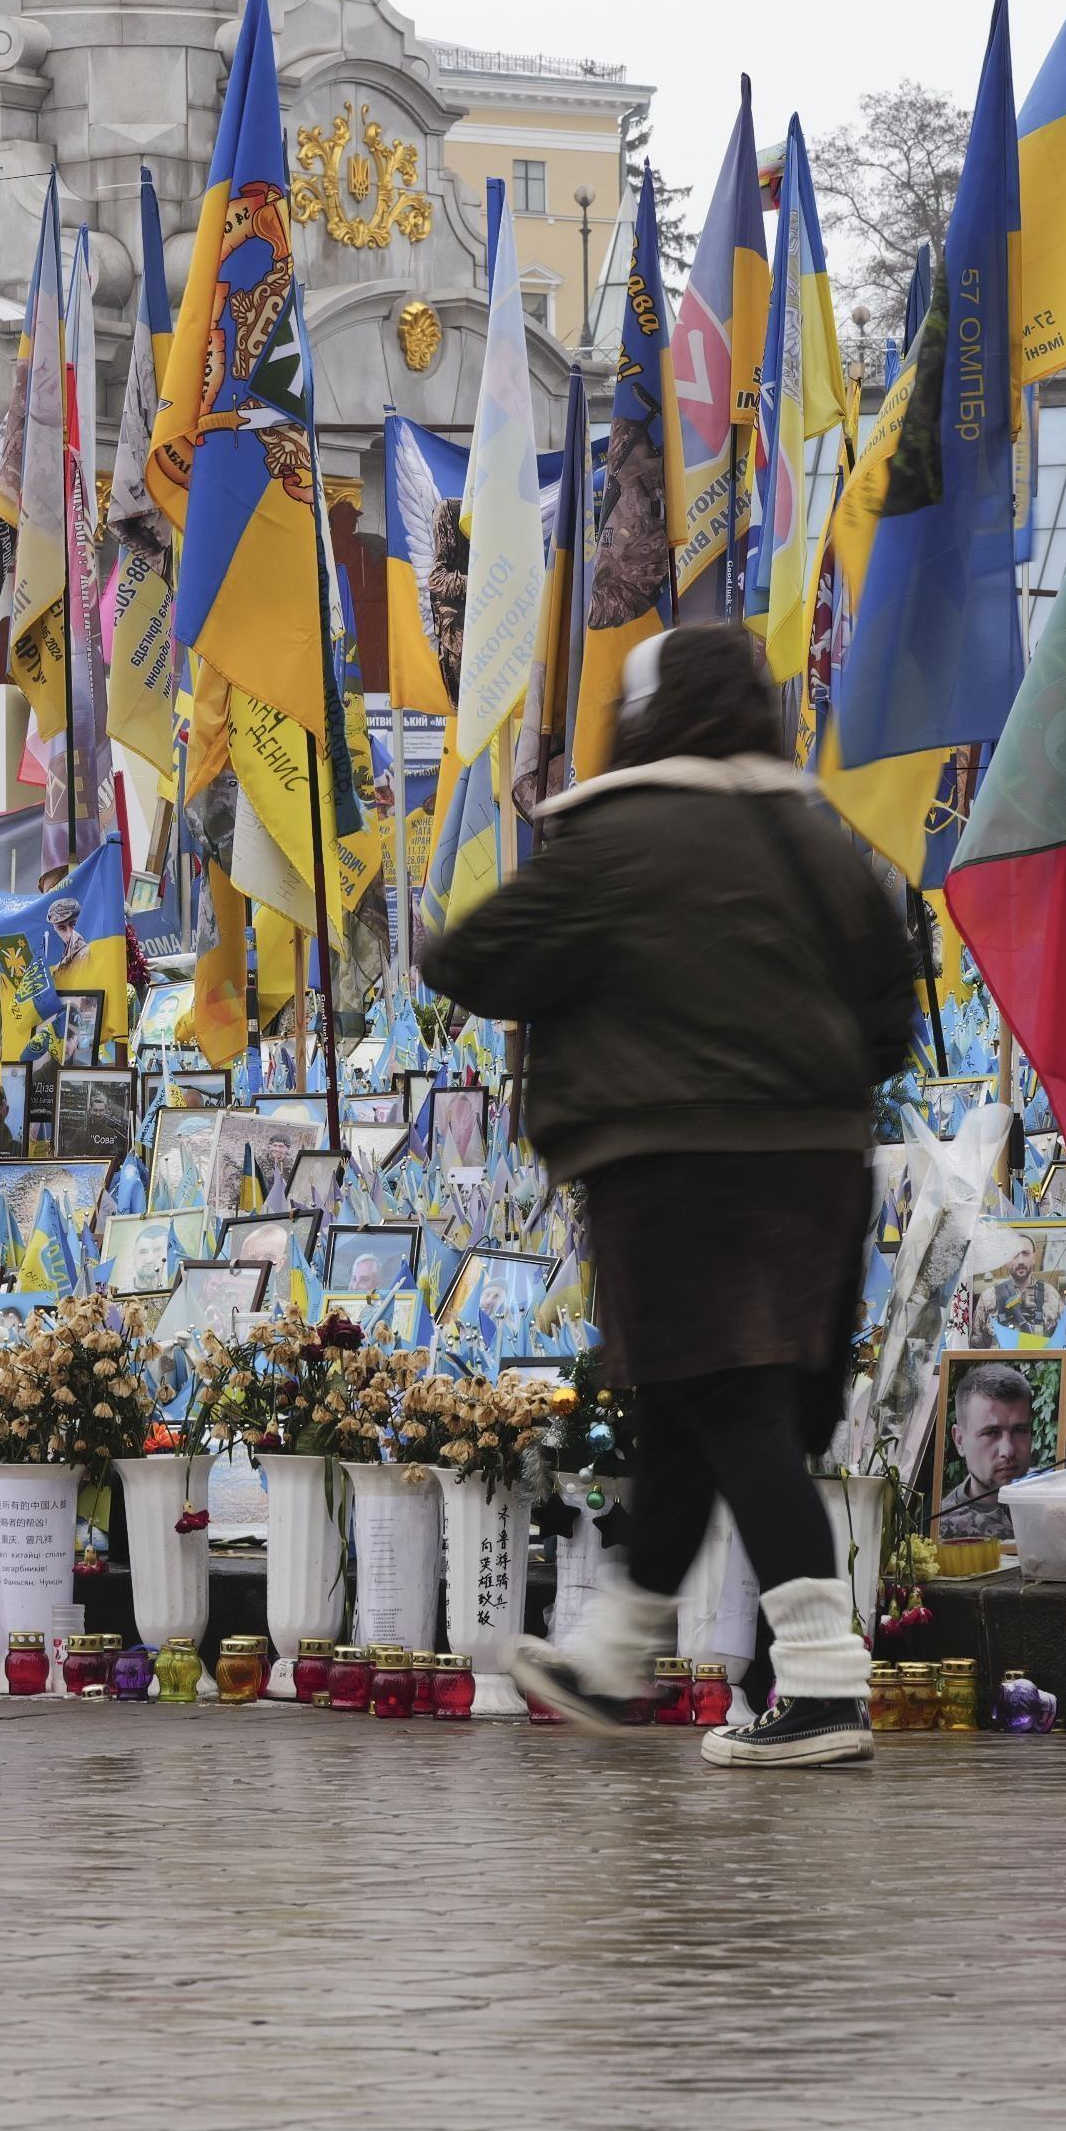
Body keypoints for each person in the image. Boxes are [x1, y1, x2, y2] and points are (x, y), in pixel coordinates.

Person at [432, 623, 923, 1769]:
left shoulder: (619, 839)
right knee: (692, 1408)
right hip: (819, 1168)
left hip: (674, 1168)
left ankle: (821, 1681)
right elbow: (890, 1019)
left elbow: (469, 960)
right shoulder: (821, 842)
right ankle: (615, 1653)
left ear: (647, 717)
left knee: (734, 1408)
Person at [933, 1365, 1042, 1542]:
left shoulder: (1054, 1505)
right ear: (959, 1440)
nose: (1008, 1451)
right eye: (991, 1433)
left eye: (1020, 1430)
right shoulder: (941, 1529)